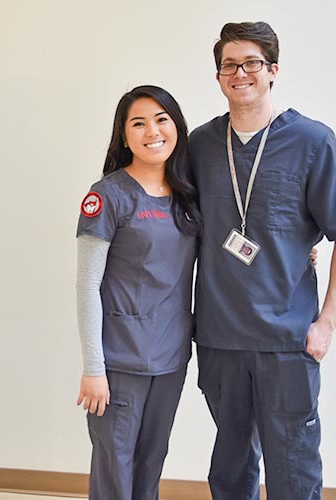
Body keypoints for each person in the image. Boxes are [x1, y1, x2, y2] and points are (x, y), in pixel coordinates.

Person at [189, 22, 336, 500]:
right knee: (229, 468)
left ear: (272, 71)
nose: (240, 73)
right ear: (219, 76)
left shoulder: (312, 141)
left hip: (287, 340)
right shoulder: (200, 146)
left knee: (294, 466)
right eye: (229, 65)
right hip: (219, 337)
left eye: (251, 63)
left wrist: (327, 323)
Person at [75, 85, 200, 500]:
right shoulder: (107, 195)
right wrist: (94, 367)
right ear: (124, 135)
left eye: (162, 119)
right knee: (116, 464)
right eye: (139, 123)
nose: (153, 131)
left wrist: (297, 252)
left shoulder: (188, 194)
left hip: (172, 354)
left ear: (176, 126)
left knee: (151, 460)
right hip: (121, 360)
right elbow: (87, 284)